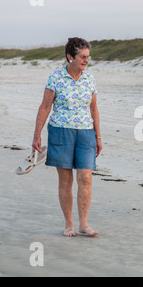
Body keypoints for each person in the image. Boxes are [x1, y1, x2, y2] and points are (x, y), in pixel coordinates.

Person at [32, 37, 102, 237]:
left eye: (88, 57)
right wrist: (37, 135)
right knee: (65, 180)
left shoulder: (90, 79)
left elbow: (94, 109)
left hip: (86, 133)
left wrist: (98, 137)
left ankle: (84, 224)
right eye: (82, 57)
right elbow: (45, 107)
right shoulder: (56, 78)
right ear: (70, 57)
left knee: (86, 178)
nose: (86, 60)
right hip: (61, 131)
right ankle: (69, 223)